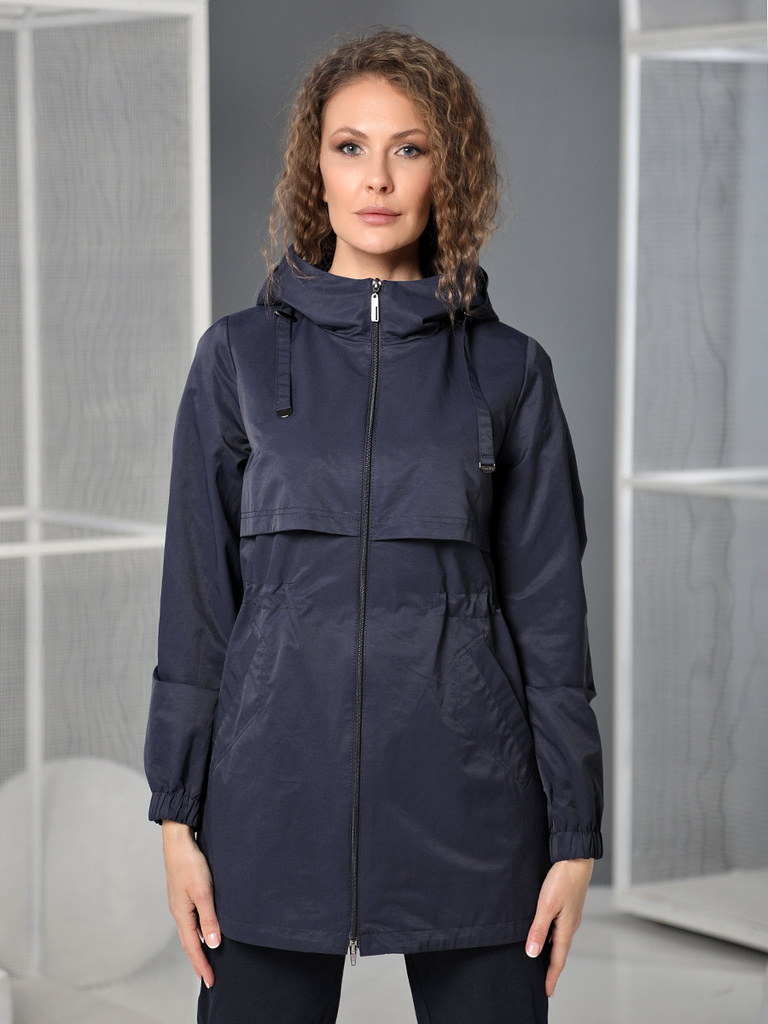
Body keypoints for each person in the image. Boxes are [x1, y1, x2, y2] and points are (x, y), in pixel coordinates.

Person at [144, 27, 603, 1024]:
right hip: (270, 804)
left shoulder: (511, 371)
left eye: (410, 147)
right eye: (350, 146)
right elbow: (198, 603)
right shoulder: (237, 360)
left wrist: (574, 837)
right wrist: (177, 817)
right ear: (315, 167)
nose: (379, 178)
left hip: (473, 806)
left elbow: (551, 619)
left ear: (449, 169)